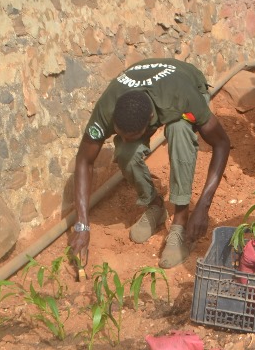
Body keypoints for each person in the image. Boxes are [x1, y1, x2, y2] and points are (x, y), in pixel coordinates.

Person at [69, 58, 231, 270]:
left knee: (178, 130)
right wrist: (82, 224)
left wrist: (203, 206)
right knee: (126, 151)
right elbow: (84, 160)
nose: (125, 139)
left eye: (133, 135)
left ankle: (179, 223)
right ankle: (155, 206)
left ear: (152, 120)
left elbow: (221, 143)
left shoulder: (182, 98)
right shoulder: (108, 107)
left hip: (183, 84)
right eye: (120, 134)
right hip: (150, 94)